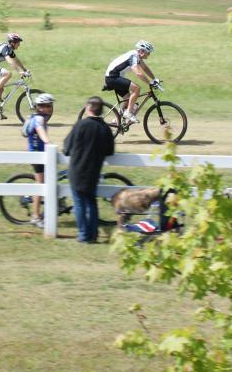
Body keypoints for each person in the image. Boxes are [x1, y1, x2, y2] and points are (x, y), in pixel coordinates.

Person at [63, 96, 116, 243]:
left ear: (89, 108)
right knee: (91, 202)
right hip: (94, 171)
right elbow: (110, 151)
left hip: (77, 170)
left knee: (79, 203)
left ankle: (83, 235)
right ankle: (93, 235)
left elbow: (66, 148)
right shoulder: (105, 129)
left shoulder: (80, 125)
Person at [21, 93, 55, 228]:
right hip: (37, 156)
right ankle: (35, 217)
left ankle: (31, 197)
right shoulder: (39, 119)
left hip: (39, 154)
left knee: (48, 180)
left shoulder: (38, 117)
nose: (51, 108)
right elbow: (40, 130)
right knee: (41, 185)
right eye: (49, 106)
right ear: (41, 107)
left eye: (51, 105)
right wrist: (49, 142)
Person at [103, 40, 158, 123]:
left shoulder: (136, 57)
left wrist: (154, 79)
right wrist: (149, 83)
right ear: (142, 51)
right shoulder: (133, 56)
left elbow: (145, 68)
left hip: (114, 77)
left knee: (128, 99)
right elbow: (139, 73)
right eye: (148, 53)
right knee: (137, 89)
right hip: (112, 77)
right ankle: (128, 112)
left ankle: (116, 120)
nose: (149, 55)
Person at [0, 32, 29, 117]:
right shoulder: (5, 48)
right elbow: (10, 62)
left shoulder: (10, 49)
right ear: (12, 43)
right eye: (18, 43)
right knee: (7, 74)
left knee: (1, 88)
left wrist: (24, 69)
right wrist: (20, 71)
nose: (19, 45)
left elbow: (16, 60)